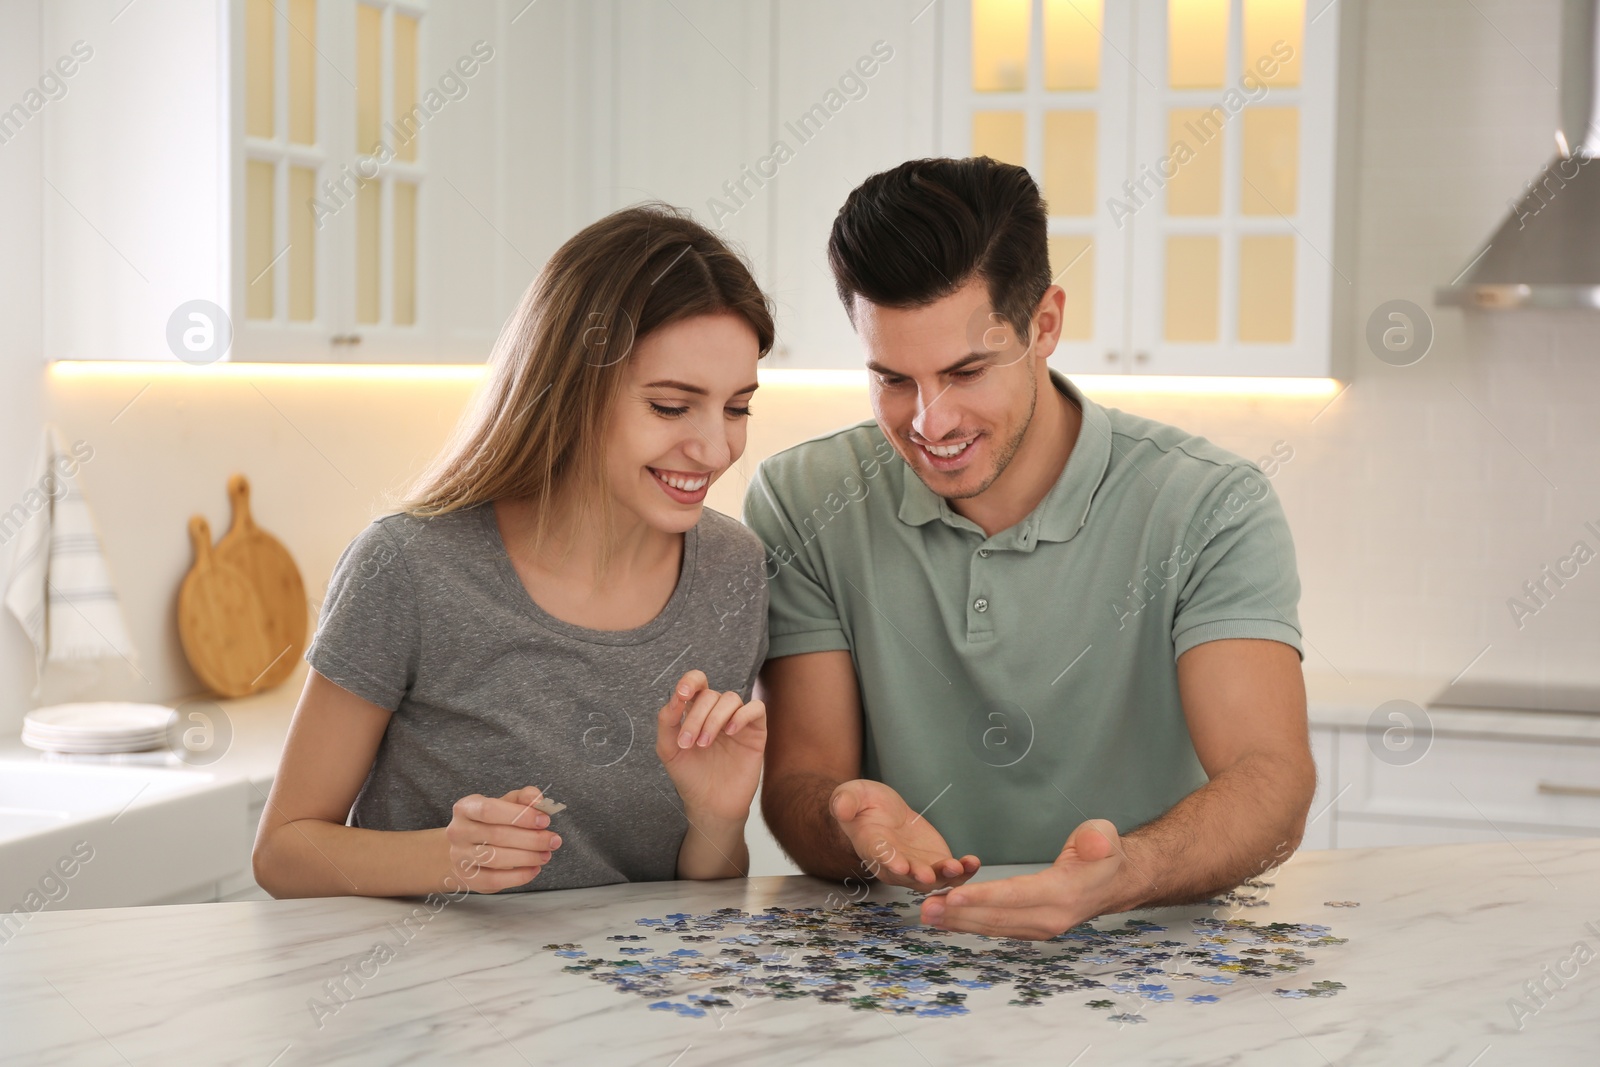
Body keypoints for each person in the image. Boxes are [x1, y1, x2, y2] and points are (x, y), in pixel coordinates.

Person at [746, 157, 1315, 940]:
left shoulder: (1211, 506)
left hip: (1149, 950)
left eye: (966, 371)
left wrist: (1125, 875)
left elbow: (1271, 779)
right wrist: (844, 819)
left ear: (1044, 323)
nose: (930, 423)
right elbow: (805, 779)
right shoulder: (803, 499)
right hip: (906, 958)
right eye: (893, 379)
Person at [254, 204, 773, 898]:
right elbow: (283, 851)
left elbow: (704, 895)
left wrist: (717, 819)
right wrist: (440, 857)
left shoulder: (733, 571)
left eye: (737, 407)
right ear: (573, 390)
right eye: (672, 407)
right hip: (427, 996)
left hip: (639, 1000)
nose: (716, 449)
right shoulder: (408, 566)